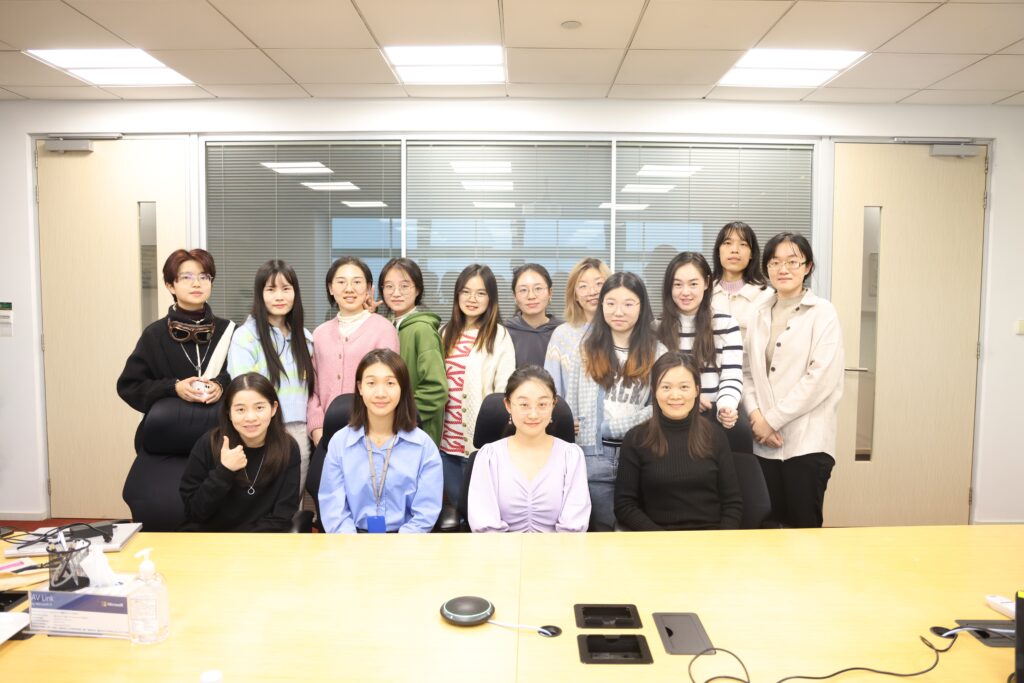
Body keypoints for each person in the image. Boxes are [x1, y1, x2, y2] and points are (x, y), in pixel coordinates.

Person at [743, 232, 844, 528]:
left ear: (808, 267)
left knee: (803, 530)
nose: (783, 269)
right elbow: (748, 371)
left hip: (807, 442)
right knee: (767, 527)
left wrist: (770, 420)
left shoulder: (823, 313)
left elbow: (820, 378)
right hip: (763, 443)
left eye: (792, 262)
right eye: (775, 262)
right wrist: (756, 417)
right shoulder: (758, 311)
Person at [561, 271, 667, 531]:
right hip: (593, 459)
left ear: (641, 307)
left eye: (628, 304)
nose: (619, 311)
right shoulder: (584, 350)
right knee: (603, 537)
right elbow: (571, 402)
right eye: (610, 303)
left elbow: (660, 409)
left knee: (638, 537)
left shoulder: (658, 352)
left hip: (641, 456)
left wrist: (615, 428)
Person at [117, 248, 233, 450]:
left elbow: (245, 379)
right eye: (186, 277)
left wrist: (221, 385)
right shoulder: (155, 334)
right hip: (168, 439)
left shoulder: (231, 332)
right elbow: (130, 386)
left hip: (220, 442)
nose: (197, 283)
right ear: (170, 285)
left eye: (204, 277)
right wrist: (173, 388)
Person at [318, 349, 443, 533]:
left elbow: (425, 513)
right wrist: (353, 549)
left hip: (407, 543)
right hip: (350, 543)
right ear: (360, 387)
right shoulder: (340, 443)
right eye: (371, 383)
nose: (380, 393)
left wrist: (395, 551)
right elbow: (334, 510)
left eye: (390, 383)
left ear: (403, 388)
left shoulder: (424, 447)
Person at [614, 352, 742, 531]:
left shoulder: (715, 435)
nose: (675, 396)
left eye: (684, 387)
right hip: (658, 541)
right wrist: (663, 541)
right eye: (666, 387)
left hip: (711, 543)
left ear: (697, 389)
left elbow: (733, 504)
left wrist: (720, 544)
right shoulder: (635, 439)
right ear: (654, 390)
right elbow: (625, 505)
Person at [467, 366, 591, 533]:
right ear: (508, 405)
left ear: (553, 404)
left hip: (558, 555)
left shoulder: (571, 456)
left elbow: (573, 528)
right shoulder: (489, 457)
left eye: (542, 404)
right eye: (524, 404)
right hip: (499, 555)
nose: (533, 414)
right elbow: (485, 527)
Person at [228, 260, 315, 495]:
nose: (279, 296)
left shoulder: (305, 339)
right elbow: (242, 392)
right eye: (271, 289)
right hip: (260, 433)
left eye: (286, 289)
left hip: (298, 432)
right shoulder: (245, 337)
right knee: (258, 506)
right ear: (260, 294)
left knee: (291, 505)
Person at [438, 264, 517, 514]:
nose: (472, 299)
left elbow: (505, 393)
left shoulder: (499, 336)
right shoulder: (443, 333)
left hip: (480, 447)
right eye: (466, 291)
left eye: (481, 293)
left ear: (491, 298)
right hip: (444, 446)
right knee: (459, 514)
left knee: (482, 515)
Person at [657, 252, 752, 455]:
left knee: (739, 433)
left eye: (693, 284)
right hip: (670, 415)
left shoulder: (726, 324)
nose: (685, 292)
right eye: (677, 284)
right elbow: (653, 381)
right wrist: (688, 398)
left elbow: (732, 375)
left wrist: (726, 406)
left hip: (714, 413)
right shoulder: (656, 329)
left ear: (707, 283)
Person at [179, 373, 300, 532]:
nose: (250, 417)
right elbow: (194, 512)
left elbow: (281, 517)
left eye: (259, 407)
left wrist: (241, 547)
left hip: (260, 544)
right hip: (209, 541)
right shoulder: (209, 444)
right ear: (229, 413)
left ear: (273, 409)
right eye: (240, 409)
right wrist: (224, 472)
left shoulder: (288, 448)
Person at [308, 256, 399, 447]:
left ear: (368, 288)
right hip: (326, 435)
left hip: (371, 436)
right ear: (331, 288)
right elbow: (312, 388)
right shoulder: (320, 334)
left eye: (357, 282)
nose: (349, 289)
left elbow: (389, 386)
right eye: (341, 282)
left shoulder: (383, 330)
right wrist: (317, 428)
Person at [379, 257, 446, 446]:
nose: (396, 293)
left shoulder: (422, 329)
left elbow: (436, 389)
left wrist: (403, 417)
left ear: (417, 289)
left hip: (415, 430)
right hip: (391, 429)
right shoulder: (389, 326)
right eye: (389, 286)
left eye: (405, 286)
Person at [544, 258, 610, 398]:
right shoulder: (562, 334)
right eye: (583, 286)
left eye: (599, 284)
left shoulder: (621, 330)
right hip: (572, 419)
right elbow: (551, 389)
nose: (592, 291)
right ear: (575, 295)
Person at [711, 221, 767, 335]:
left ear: (751, 254)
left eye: (743, 244)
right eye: (727, 243)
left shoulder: (766, 297)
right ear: (718, 251)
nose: (735, 250)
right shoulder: (704, 293)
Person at [506, 263, 563, 369]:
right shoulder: (504, 333)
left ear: (550, 293)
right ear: (514, 296)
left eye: (538, 288)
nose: (531, 296)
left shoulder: (563, 332)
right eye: (523, 290)